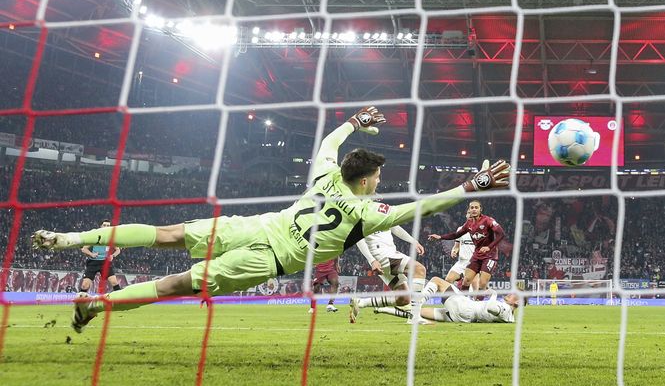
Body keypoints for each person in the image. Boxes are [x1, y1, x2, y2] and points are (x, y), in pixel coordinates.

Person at [31, 106, 510, 333]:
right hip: (269, 258)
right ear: (366, 179)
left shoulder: (326, 174)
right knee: (177, 283)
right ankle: (92, 308)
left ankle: (74, 237)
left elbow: (328, 144)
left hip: (259, 224)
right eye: (379, 175)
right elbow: (429, 205)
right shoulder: (367, 212)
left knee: (168, 234)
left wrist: (354, 122)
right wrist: (474, 185)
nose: (381, 182)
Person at [348, 226, 426, 323]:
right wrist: (372, 260)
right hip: (383, 254)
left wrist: (413, 241)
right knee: (419, 269)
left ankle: (361, 302)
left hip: (387, 254)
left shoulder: (385, 213)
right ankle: (415, 316)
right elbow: (358, 238)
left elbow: (395, 227)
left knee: (403, 299)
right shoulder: (364, 214)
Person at [427, 200, 505, 293]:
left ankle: (478, 302)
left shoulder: (487, 221)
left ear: (481, 209)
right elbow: (456, 237)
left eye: (476, 208)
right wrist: (440, 237)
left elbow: (501, 234)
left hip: (484, 257)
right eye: (471, 208)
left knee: (480, 285)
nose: (473, 210)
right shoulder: (467, 226)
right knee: (457, 280)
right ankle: (460, 301)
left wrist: (489, 247)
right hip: (468, 259)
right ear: (467, 212)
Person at [372, 276, 518, 324]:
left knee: (436, 280)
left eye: (514, 295)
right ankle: (383, 309)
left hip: (464, 306)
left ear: (516, 303)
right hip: (461, 318)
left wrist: (492, 294)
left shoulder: (503, 307)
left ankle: (416, 305)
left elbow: (491, 308)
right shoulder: (509, 317)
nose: (510, 294)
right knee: (421, 312)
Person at [80, 220, 122, 294]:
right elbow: (84, 249)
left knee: (114, 282)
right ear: (101, 226)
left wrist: (113, 255)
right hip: (93, 262)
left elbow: (118, 250)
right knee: (84, 285)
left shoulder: (110, 239)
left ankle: (120, 301)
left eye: (108, 226)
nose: (106, 227)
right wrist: (92, 254)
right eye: (104, 225)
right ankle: (80, 303)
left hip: (105, 263)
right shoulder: (95, 237)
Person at [444, 211, 479, 291]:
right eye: (468, 213)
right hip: (461, 262)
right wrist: (454, 251)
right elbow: (456, 246)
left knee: (475, 288)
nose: (470, 214)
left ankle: (476, 301)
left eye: (472, 213)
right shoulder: (460, 229)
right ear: (466, 215)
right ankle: (454, 298)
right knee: (448, 280)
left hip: (474, 263)